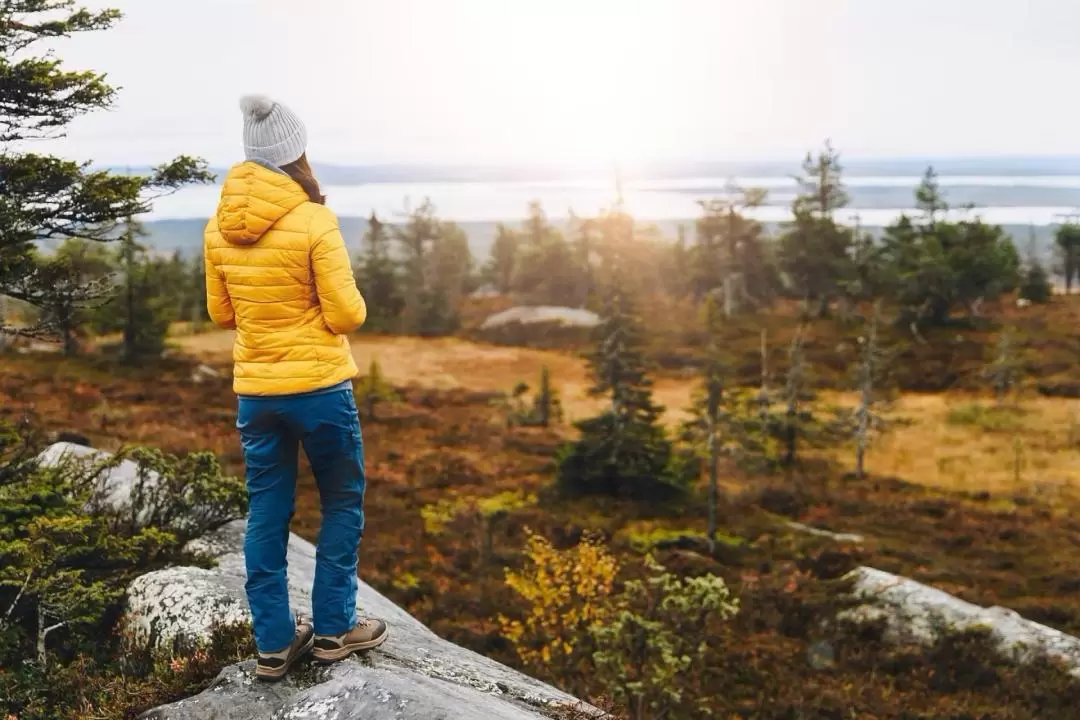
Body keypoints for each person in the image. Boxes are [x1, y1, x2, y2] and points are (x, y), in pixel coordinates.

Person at [203, 94, 388, 682]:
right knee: (341, 499)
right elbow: (347, 315)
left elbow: (220, 313)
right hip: (320, 390)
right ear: (296, 153)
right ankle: (334, 629)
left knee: (267, 511)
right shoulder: (314, 220)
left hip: (257, 394)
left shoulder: (217, 227)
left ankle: (274, 643)